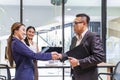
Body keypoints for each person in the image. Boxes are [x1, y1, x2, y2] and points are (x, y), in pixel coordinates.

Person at [61, 13, 105, 80]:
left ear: (84, 23)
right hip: (75, 75)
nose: (73, 26)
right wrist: (60, 56)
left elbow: (99, 56)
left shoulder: (93, 36)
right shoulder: (74, 39)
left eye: (76, 23)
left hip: (87, 76)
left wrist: (79, 62)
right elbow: (71, 54)